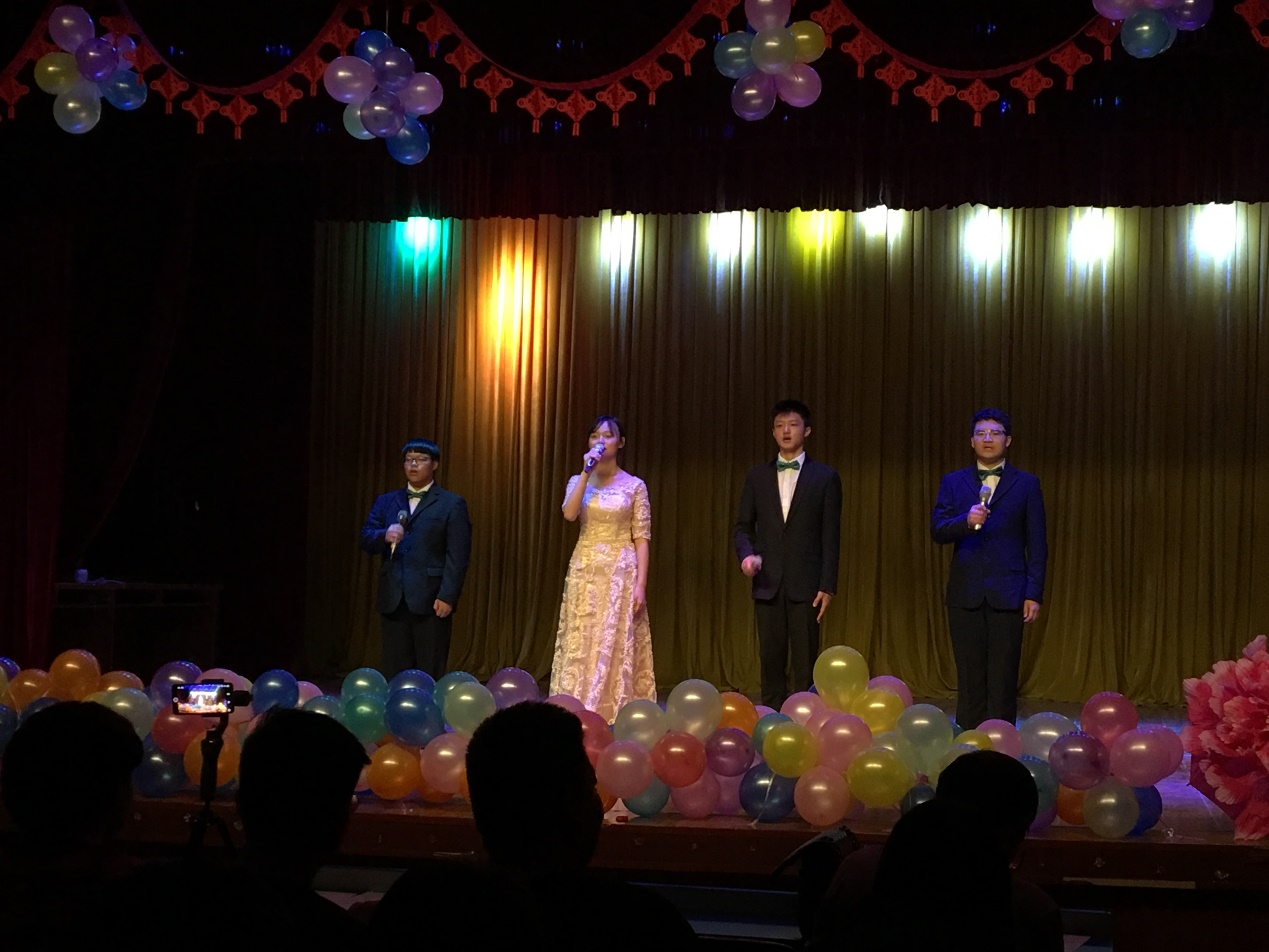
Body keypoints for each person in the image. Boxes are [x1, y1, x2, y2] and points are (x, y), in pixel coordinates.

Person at [461, 702, 697, 949]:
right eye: (590, 788)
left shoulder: (451, 919)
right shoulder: (644, 924)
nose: (598, 807)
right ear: (569, 803)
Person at [931, 408, 1047, 729]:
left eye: (995, 433)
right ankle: (969, 744)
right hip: (965, 593)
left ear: (1008, 440)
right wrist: (965, 521)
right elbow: (938, 529)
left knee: (1003, 678)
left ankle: (1001, 745)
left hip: (1010, 594)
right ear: (971, 441)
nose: (987, 439)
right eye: (981, 433)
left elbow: (1037, 543)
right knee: (969, 679)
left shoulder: (1026, 484)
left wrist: (1033, 592)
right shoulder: (953, 481)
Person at [734, 399, 843, 709]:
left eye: (793, 425)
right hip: (767, 581)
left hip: (807, 584)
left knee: (806, 663)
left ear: (806, 431)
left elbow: (831, 535)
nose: (786, 431)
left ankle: (805, 722)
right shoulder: (757, 476)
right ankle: (771, 723)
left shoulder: (825, 477)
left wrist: (827, 585)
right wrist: (746, 555)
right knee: (770, 661)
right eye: (780, 426)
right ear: (772, 432)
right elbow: (742, 526)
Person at [550, 415, 655, 722]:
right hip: (585, 568)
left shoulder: (635, 486)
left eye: (608, 436)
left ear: (620, 443)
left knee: (615, 639)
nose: (600, 441)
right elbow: (569, 514)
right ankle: (576, 707)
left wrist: (641, 584)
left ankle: (613, 711)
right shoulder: (578, 481)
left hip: (620, 571)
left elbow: (641, 538)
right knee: (582, 638)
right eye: (595, 435)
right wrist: (586, 472)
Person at [362, 438, 472, 678]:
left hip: (431, 599)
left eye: (421, 459)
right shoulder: (386, 501)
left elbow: (457, 555)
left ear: (434, 465)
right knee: (395, 670)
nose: (413, 465)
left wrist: (447, 595)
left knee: (429, 669)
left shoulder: (451, 503)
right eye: (409, 460)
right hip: (393, 596)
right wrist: (384, 535)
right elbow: (366, 538)